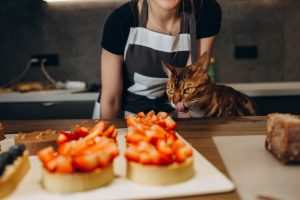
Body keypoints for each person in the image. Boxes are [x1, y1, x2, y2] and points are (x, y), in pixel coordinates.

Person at [94, 0, 222, 119]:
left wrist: (186, 135)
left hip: (169, 114)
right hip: (122, 114)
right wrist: (110, 136)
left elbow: (190, 90)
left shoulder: (205, 12)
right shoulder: (119, 22)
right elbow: (111, 100)